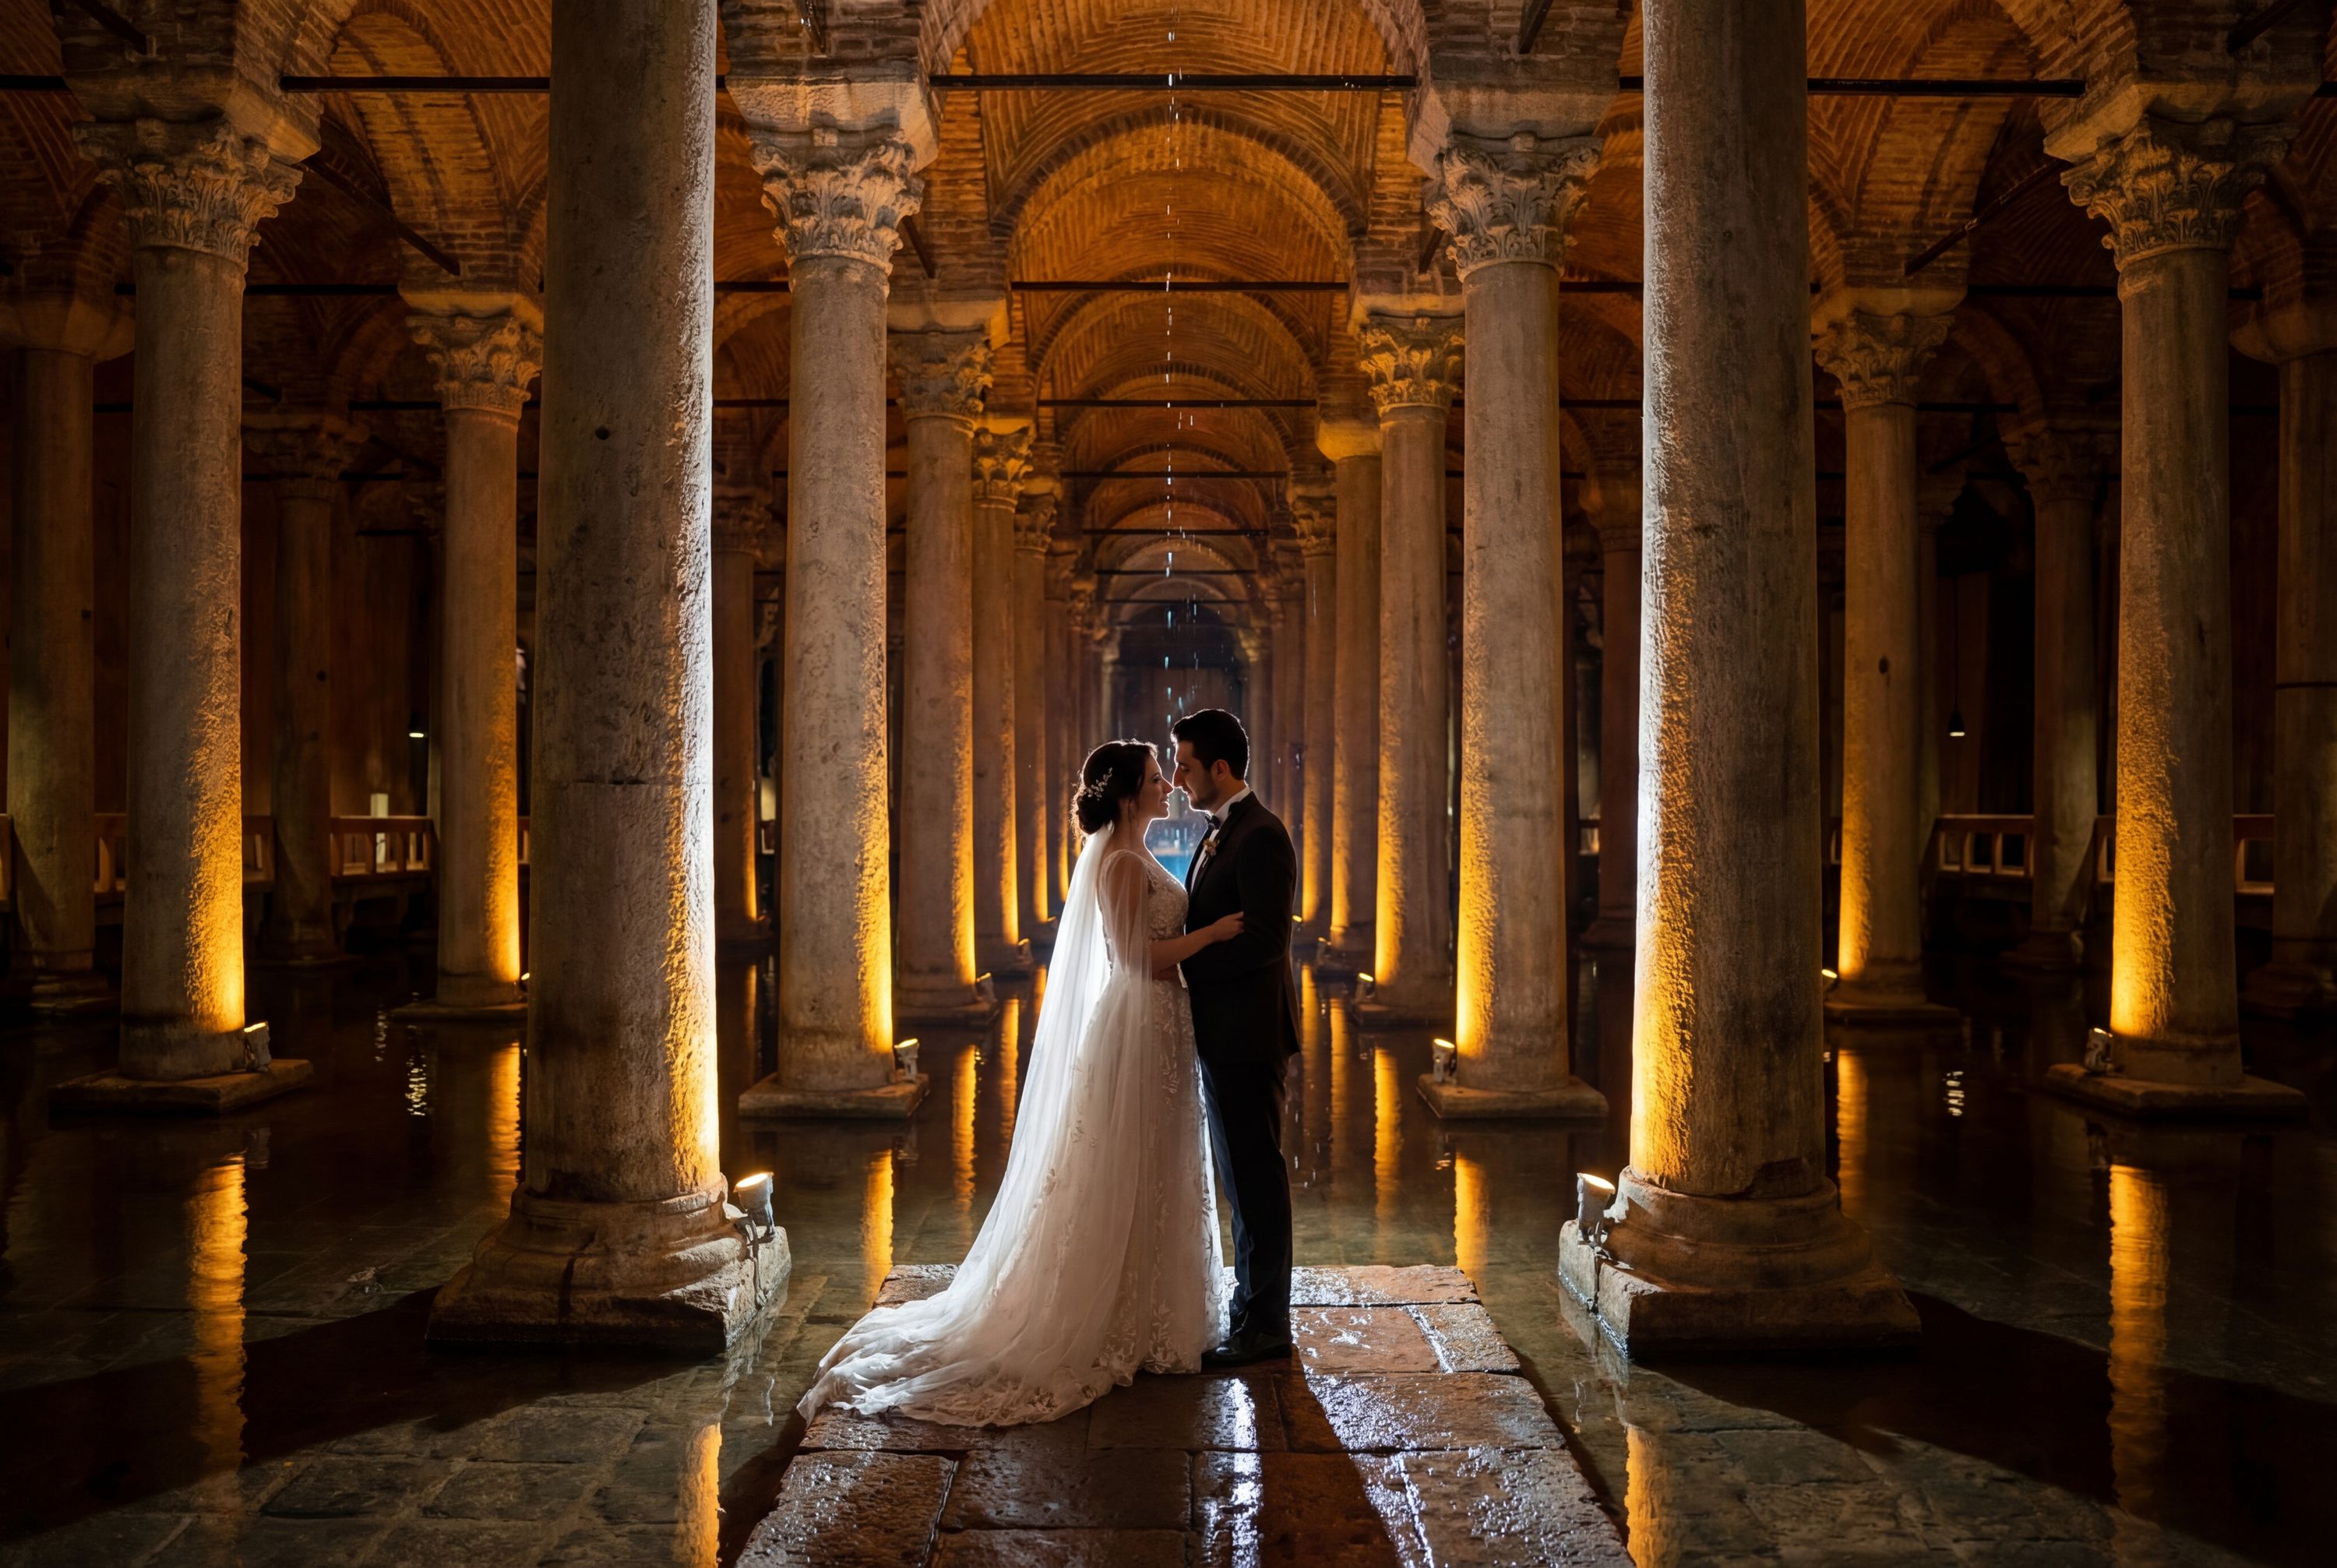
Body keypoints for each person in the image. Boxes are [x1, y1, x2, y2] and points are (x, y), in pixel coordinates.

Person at [795, 740, 1242, 1426]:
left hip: (1162, 1024)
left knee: (1160, 1161)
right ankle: (1118, 1311)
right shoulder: (1121, 862)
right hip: (1140, 1018)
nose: (1167, 786)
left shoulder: (1140, 853)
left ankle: (1158, 1307)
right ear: (1128, 795)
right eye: (1156, 778)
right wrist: (1210, 937)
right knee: (1127, 1157)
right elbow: (1134, 956)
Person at [1171, 708, 1302, 1367]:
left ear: (1220, 768)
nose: (1177, 777)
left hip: (1249, 1034)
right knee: (1240, 1177)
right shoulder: (1222, 831)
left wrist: (1185, 966)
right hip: (1226, 1033)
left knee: (1256, 1176)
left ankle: (1268, 1324)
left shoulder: (1261, 837)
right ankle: (1249, 1307)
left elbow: (1266, 941)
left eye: (1186, 765)